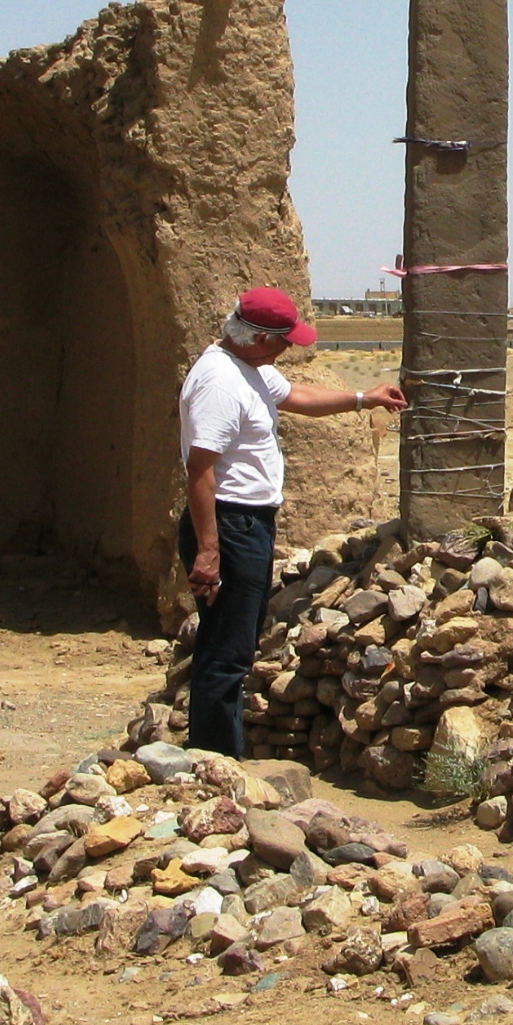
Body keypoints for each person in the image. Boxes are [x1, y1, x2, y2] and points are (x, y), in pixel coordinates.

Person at [178, 288, 403, 759]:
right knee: (227, 650)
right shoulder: (220, 382)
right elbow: (200, 469)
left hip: (248, 523)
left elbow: (297, 395)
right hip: (229, 524)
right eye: (284, 341)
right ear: (259, 337)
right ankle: (215, 763)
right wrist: (208, 549)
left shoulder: (251, 369)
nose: (289, 349)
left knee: (233, 640)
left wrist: (364, 398)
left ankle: (214, 755)